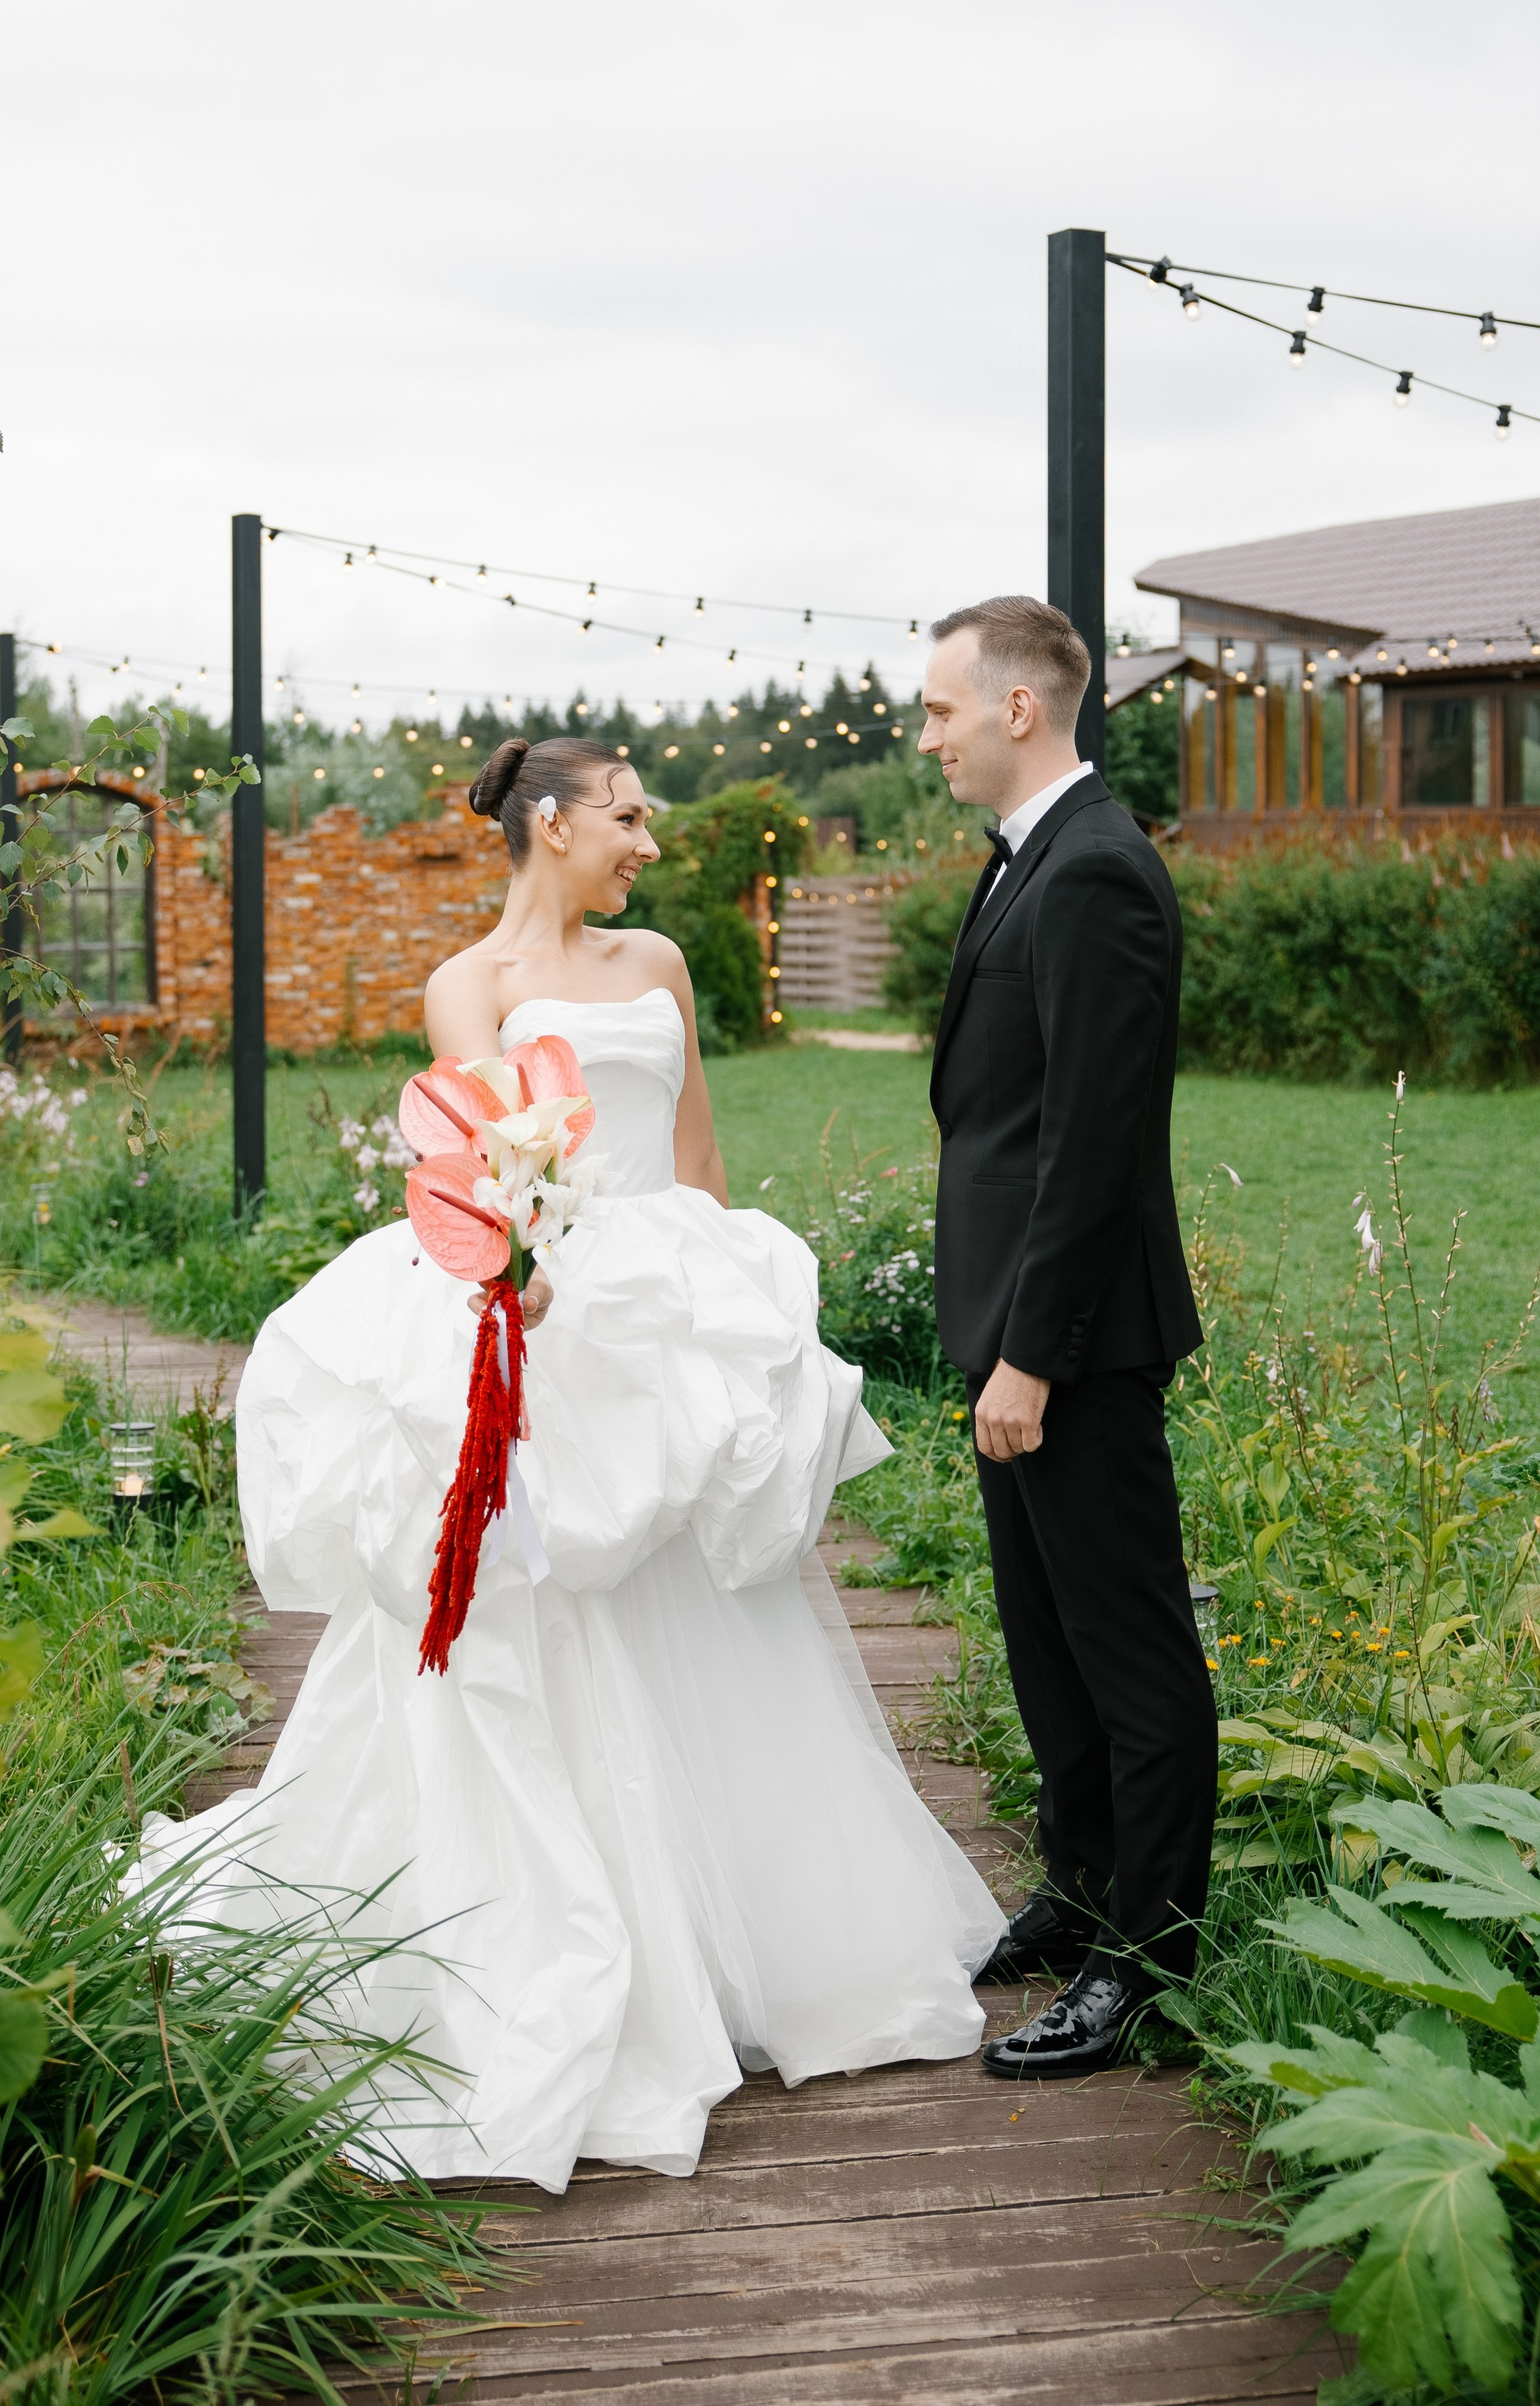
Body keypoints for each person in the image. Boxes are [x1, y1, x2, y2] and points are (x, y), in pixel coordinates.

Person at [136, 734, 999, 2191]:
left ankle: (753, 1946)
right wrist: (518, 1288)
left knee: (710, 1605)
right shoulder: (466, 984)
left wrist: (750, 1313)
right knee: (556, 1602)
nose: (647, 840)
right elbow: (477, 1170)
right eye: (627, 815)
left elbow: (703, 1158)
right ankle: (587, 1937)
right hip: (546, 1310)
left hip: (670, 1303)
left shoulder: (659, 960)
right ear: (551, 822)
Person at [919, 597, 1213, 2078]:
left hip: (1073, 1343)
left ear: (1016, 709)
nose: (926, 734)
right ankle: (1083, 1879)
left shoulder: (1096, 872)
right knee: (1043, 1644)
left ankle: (1146, 1961)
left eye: (937, 709)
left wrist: (1031, 1352)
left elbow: (1094, 1146)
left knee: (1128, 1653)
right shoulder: (1024, 863)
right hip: (1011, 1329)